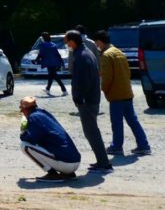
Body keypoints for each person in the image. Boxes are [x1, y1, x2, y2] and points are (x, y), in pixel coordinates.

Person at [94, 30, 151, 156]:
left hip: (116, 94)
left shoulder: (106, 55)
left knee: (117, 122)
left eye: (96, 43)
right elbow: (128, 73)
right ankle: (143, 145)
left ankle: (117, 146)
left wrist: (104, 89)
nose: (97, 46)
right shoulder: (119, 52)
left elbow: (107, 77)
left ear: (99, 41)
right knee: (133, 120)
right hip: (126, 92)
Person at [65, 30, 112, 173]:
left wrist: (79, 97)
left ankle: (104, 163)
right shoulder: (86, 52)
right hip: (91, 98)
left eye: (66, 41)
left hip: (87, 100)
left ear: (72, 41)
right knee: (91, 131)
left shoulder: (81, 55)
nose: (66, 44)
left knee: (91, 132)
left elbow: (84, 80)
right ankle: (102, 161)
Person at [18, 96, 81, 181]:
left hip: (66, 164)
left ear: (26, 108)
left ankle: (52, 174)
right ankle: (67, 174)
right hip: (75, 161)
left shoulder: (34, 117)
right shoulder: (44, 113)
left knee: (24, 146)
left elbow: (30, 139)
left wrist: (23, 132)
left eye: (21, 108)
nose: (21, 111)